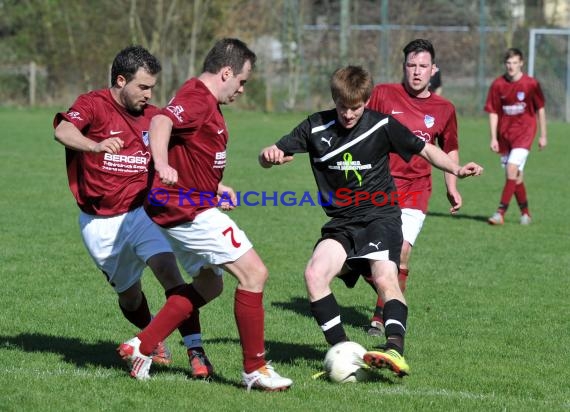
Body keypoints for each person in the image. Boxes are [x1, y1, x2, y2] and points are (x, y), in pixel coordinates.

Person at [259, 65, 483, 376]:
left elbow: (426, 149)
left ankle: (394, 350)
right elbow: (273, 153)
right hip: (342, 222)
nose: (349, 114)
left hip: (381, 216)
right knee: (314, 275)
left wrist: (456, 170)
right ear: (334, 99)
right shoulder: (315, 127)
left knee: (384, 278)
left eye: (356, 108)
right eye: (342, 107)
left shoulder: (382, 125)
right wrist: (268, 156)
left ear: (367, 101)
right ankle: (343, 351)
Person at [117, 38, 293, 391]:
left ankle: (142, 345)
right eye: (242, 81)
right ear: (226, 72)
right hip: (187, 210)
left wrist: (216, 187)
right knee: (254, 273)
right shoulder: (197, 98)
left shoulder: (202, 98)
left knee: (210, 284)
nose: (242, 89)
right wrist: (162, 163)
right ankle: (254, 369)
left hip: (188, 204)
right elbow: (161, 123)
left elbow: (192, 153)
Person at [53, 45, 220, 379]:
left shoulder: (153, 117)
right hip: (99, 223)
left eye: (152, 88)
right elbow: (62, 130)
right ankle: (150, 333)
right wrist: (94, 145)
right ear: (120, 80)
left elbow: (185, 155)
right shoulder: (93, 104)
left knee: (169, 273)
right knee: (129, 297)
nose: (148, 94)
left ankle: (196, 352)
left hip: (142, 212)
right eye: (142, 87)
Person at [364, 39, 462, 336]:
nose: (417, 72)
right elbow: (358, 126)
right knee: (368, 259)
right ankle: (388, 288)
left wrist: (452, 186)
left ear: (434, 70)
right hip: (377, 187)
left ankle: (382, 317)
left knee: (402, 251)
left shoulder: (444, 109)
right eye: (411, 66)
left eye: (423, 66)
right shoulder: (383, 94)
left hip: (415, 189)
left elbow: (450, 149)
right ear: (403, 67)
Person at [485, 47, 547, 225]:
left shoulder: (531, 84)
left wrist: (543, 135)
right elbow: (493, 112)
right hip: (505, 135)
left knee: (511, 169)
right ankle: (525, 213)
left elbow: (540, 109)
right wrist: (493, 138)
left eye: (514, 63)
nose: (511, 66)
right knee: (515, 176)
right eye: (508, 63)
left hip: (525, 133)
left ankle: (500, 213)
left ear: (521, 63)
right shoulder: (498, 85)